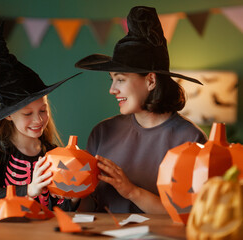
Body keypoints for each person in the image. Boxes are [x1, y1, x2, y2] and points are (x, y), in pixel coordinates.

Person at [74, 6, 207, 214]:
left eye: (120, 80)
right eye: (111, 80)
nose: (112, 90)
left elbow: (191, 215)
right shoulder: (102, 132)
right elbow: (87, 208)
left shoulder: (191, 139)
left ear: (151, 80)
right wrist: (70, 195)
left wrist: (131, 191)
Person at [0, 24, 81, 210]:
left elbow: (61, 208)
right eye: (27, 113)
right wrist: (29, 189)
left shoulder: (52, 154)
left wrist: (75, 192)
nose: (38, 120)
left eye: (43, 110)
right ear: (9, 115)